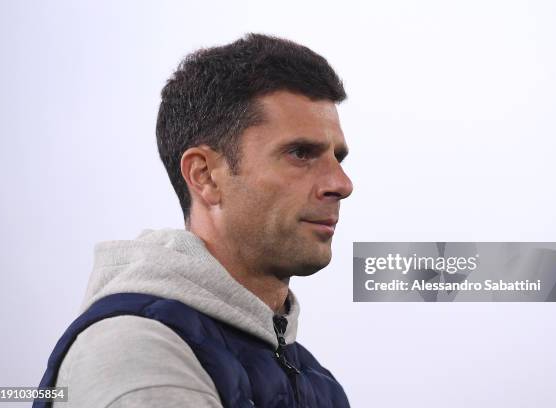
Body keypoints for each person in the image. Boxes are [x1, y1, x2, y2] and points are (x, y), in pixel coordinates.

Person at [36, 33, 353, 408]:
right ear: (204, 175)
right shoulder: (136, 353)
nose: (341, 184)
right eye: (301, 153)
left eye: (339, 158)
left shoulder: (316, 381)